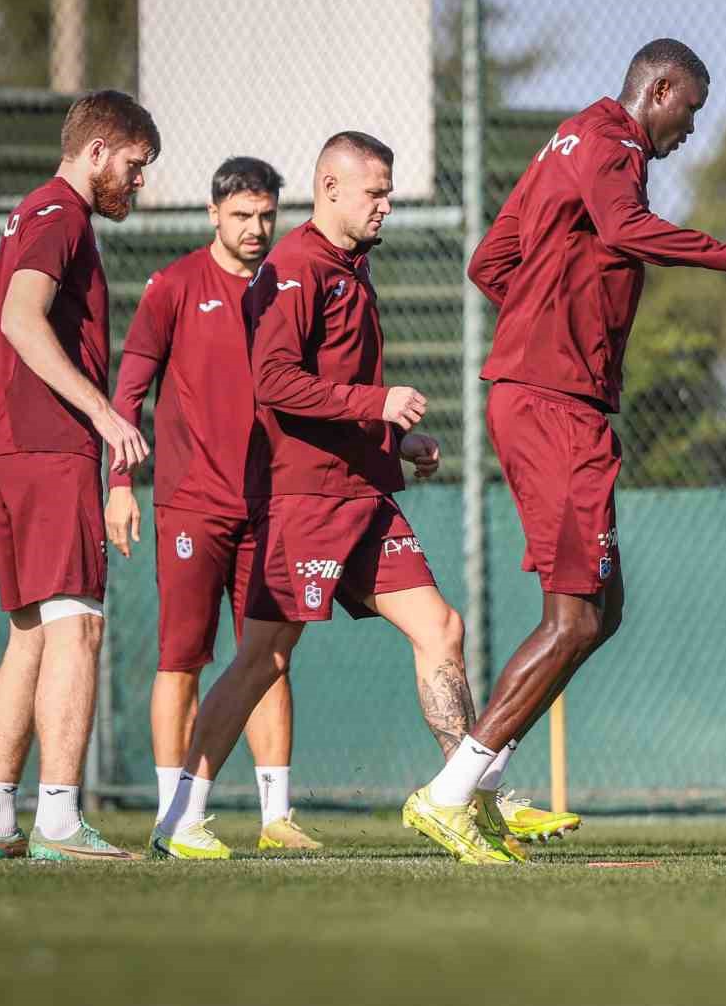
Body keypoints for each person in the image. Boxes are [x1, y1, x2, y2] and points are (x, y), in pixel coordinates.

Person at [434, 38, 726, 856]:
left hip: (544, 395)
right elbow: (624, 228)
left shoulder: (568, 138)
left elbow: (490, 261)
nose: (691, 130)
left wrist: (546, 311)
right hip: (554, 404)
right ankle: (451, 793)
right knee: (573, 618)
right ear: (660, 89)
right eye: (691, 111)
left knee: (601, 612)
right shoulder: (613, 144)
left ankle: (479, 786)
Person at [153, 132, 499, 863]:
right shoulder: (294, 267)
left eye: (389, 193)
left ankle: (463, 798)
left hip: (363, 493)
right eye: (375, 192)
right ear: (331, 188)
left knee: (442, 628)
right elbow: (274, 380)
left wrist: (393, 442)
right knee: (262, 660)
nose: (386, 205)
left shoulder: (352, 266)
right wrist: (377, 404)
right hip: (304, 503)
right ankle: (180, 816)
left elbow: (334, 387)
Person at [105, 156, 319, 852]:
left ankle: (276, 816)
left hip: (273, 504)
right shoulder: (172, 286)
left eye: (266, 215)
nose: (256, 228)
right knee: (182, 658)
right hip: (192, 505)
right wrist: (119, 485)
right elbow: (127, 393)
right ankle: (175, 816)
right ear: (213, 214)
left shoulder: (288, 288)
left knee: (269, 656)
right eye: (241, 215)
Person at [0, 90, 159, 861]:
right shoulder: (62, 215)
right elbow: (21, 318)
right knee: (78, 625)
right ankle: (56, 821)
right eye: (135, 165)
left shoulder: (34, 211)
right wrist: (105, 415)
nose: (139, 181)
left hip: (6, 444)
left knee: (31, 634)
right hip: (48, 445)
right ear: (96, 151)